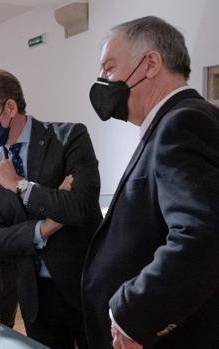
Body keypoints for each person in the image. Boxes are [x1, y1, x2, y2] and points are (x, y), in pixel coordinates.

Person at [82, 16, 219, 349]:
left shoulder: (182, 123)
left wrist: (135, 314)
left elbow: (203, 233)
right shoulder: (174, 123)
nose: (102, 81)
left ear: (151, 63)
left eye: (109, 68)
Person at [0, 69, 102, 349]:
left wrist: (20, 186)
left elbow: (80, 208)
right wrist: (45, 227)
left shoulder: (68, 138)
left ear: (10, 107)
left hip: (85, 286)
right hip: (35, 297)